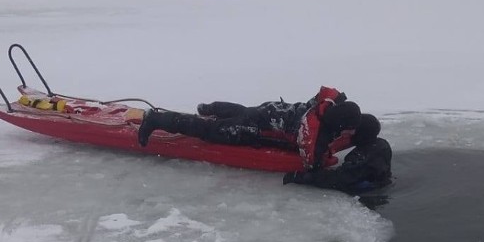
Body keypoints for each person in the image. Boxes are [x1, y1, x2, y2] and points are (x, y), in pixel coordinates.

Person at [138, 87, 361, 169]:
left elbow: (332, 93)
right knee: (207, 131)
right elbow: (312, 161)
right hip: (253, 129)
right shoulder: (309, 128)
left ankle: (210, 107)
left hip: (270, 110)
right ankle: (156, 119)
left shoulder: (323, 105)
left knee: (246, 111)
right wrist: (334, 150)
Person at [282, 114, 392, 195]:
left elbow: (339, 179)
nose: (349, 133)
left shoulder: (362, 156)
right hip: (381, 184)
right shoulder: (381, 144)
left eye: (353, 131)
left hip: (366, 194)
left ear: (361, 134)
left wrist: (303, 177)